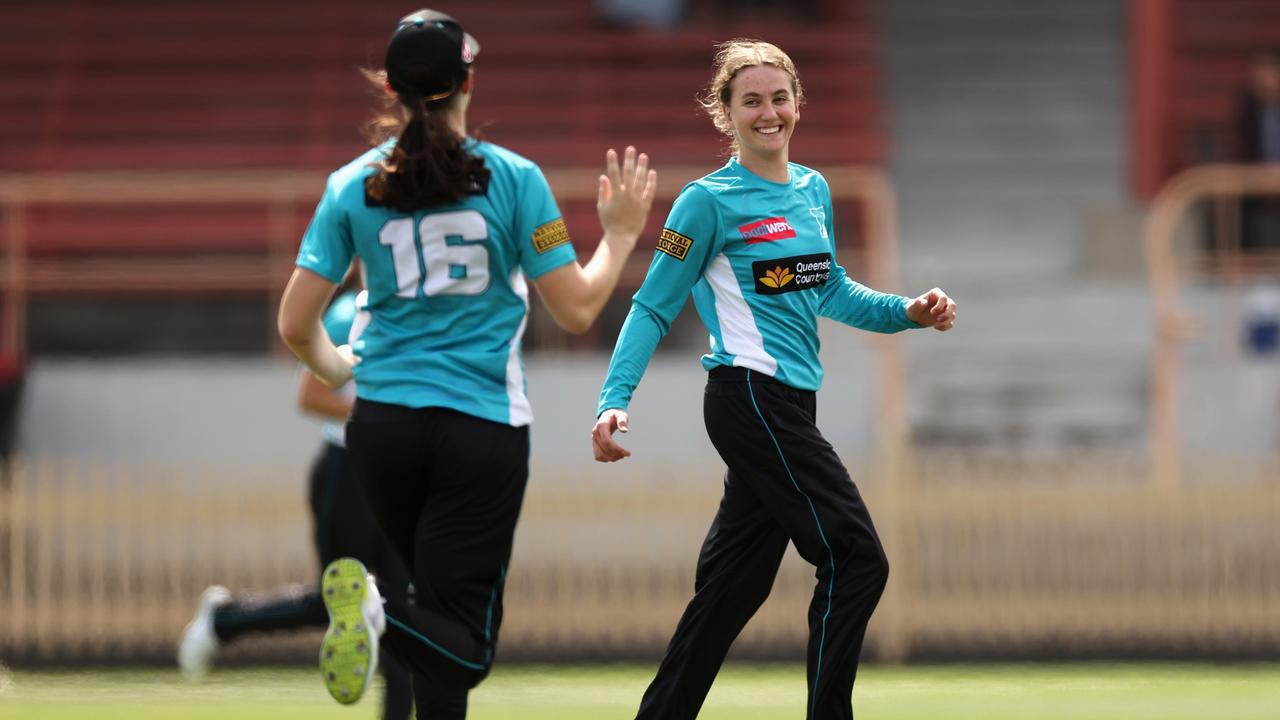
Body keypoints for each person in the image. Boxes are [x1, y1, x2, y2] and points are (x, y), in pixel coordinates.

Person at [276, 8, 657, 719]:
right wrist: (622, 236)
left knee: (434, 617)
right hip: (479, 428)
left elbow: (295, 324)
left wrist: (335, 371)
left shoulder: (349, 185)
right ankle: (377, 614)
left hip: (382, 427)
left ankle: (383, 612)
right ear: (468, 82)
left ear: (390, 89)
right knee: (466, 646)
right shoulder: (514, 179)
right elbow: (576, 308)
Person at [590, 39, 956, 720]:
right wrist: (614, 401)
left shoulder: (813, 191)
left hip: (789, 406)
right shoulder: (704, 204)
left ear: (797, 104)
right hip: (747, 396)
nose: (768, 112)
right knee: (857, 558)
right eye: (750, 100)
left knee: (732, 588)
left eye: (778, 98)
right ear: (724, 113)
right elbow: (650, 306)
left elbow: (832, 291)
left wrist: (908, 313)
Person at [178, 273, 413, 720]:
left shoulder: (415, 317)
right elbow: (310, 395)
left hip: (398, 479)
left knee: (402, 613)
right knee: (339, 603)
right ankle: (225, 619)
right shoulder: (350, 315)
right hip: (349, 474)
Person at [1235, 49, 1280, 250]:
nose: (1265, 82)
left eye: (1270, 75)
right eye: (1260, 76)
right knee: (1229, 202)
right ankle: (1239, 267)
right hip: (1254, 179)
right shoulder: (1246, 109)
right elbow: (1242, 150)